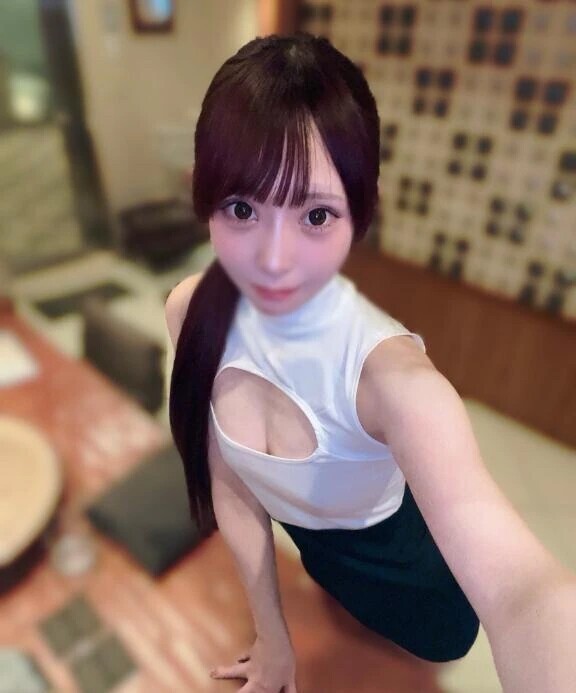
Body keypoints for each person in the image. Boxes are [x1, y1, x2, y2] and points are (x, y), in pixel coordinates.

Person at [165, 32, 576, 693]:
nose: (273, 261)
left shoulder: (397, 383)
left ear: (361, 211)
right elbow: (231, 484)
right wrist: (272, 635)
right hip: (319, 568)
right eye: (242, 207)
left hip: (411, 581)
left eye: (315, 214)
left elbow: (523, 589)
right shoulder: (192, 312)